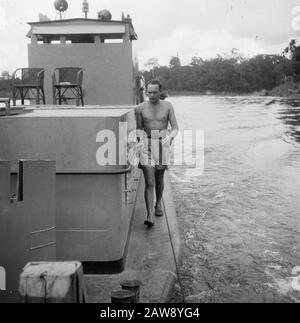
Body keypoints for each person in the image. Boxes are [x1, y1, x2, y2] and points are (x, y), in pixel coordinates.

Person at [135, 80, 179, 228]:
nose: (152, 95)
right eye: (149, 92)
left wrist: (170, 137)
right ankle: (149, 215)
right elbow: (139, 128)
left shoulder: (168, 106)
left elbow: (175, 127)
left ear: (160, 92)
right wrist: (140, 139)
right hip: (146, 145)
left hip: (161, 145)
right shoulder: (140, 108)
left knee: (159, 178)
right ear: (146, 92)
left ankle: (158, 203)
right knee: (149, 181)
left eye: (155, 92)